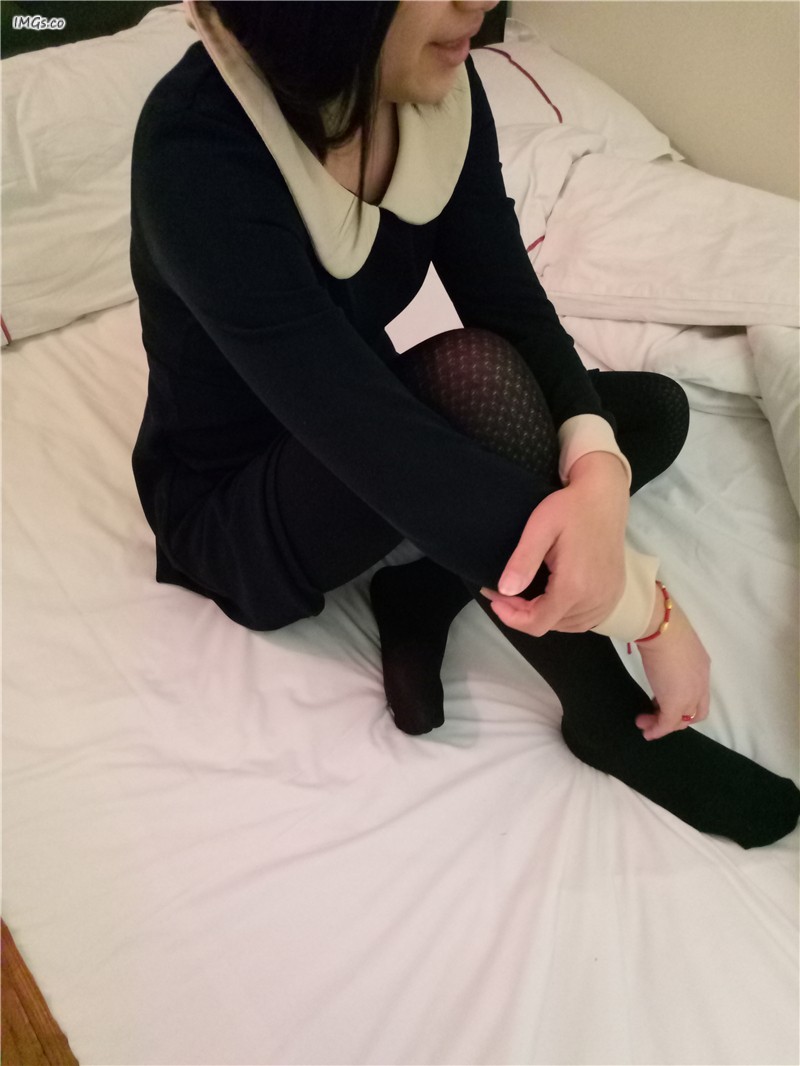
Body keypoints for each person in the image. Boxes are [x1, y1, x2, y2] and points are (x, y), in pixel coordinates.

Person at [129, 0, 799, 848]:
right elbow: (378, 439)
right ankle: (603, 716)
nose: (480, 2)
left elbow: (507, 297)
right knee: (471, 379)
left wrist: (596, 470)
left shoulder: (429, 82)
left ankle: (427, 585)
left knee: (647, 415)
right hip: (241, 513)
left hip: (365, 420)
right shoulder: (198, 150)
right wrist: (645, 608)